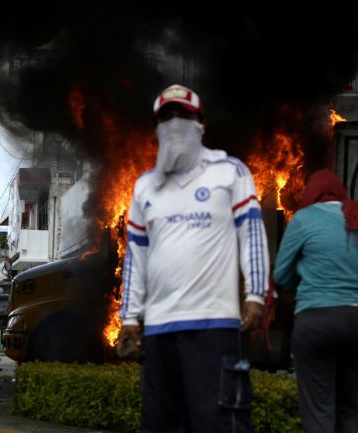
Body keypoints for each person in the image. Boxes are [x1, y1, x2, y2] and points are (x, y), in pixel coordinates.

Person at [118, 84, 268, 433]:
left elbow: (253, 234)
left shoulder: (230, 171)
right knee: (160, 425)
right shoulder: (144, 187)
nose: (175, 123)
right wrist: (129, 316)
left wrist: (256, 295)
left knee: (219, 424)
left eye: (183, 116)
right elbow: (136, 257)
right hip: (159, 330)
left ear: (201, 123)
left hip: (213, 325)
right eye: (166, 118)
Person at [273, 169, 358, 433]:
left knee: (319, 412)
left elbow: (281, 273)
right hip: (355, 321)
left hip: (315, 322)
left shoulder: (304, 219)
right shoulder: (355, 215)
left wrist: (300, 282)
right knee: (352, 410)